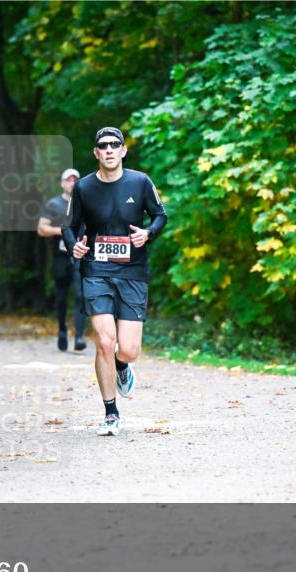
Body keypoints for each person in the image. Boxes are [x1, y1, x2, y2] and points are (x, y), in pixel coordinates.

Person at [62, 127, 168, 436]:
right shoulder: (83, 188)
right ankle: (110, 412)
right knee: (105, 341)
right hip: (96, 271)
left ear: (123, 151)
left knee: (130, 349)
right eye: (102, 145)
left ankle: (122, 366)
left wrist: (148, 233)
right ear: (96, 153)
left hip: (132, 272)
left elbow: (160, 215)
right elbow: (68, 226)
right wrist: (75, 246)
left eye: (115, 145)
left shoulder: (140, 181)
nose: (109, 149)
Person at [37, 168, 87, 352]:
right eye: (68, 180)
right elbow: (41, 228)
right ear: (62, 183)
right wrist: (65, 232)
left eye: (75, 180)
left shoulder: (85, 203)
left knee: (81, 296)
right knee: (61, 298)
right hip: (60, 259)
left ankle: (80, 337)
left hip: (80, 258)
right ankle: (62, 330)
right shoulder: (54, 204)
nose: (72, 183)